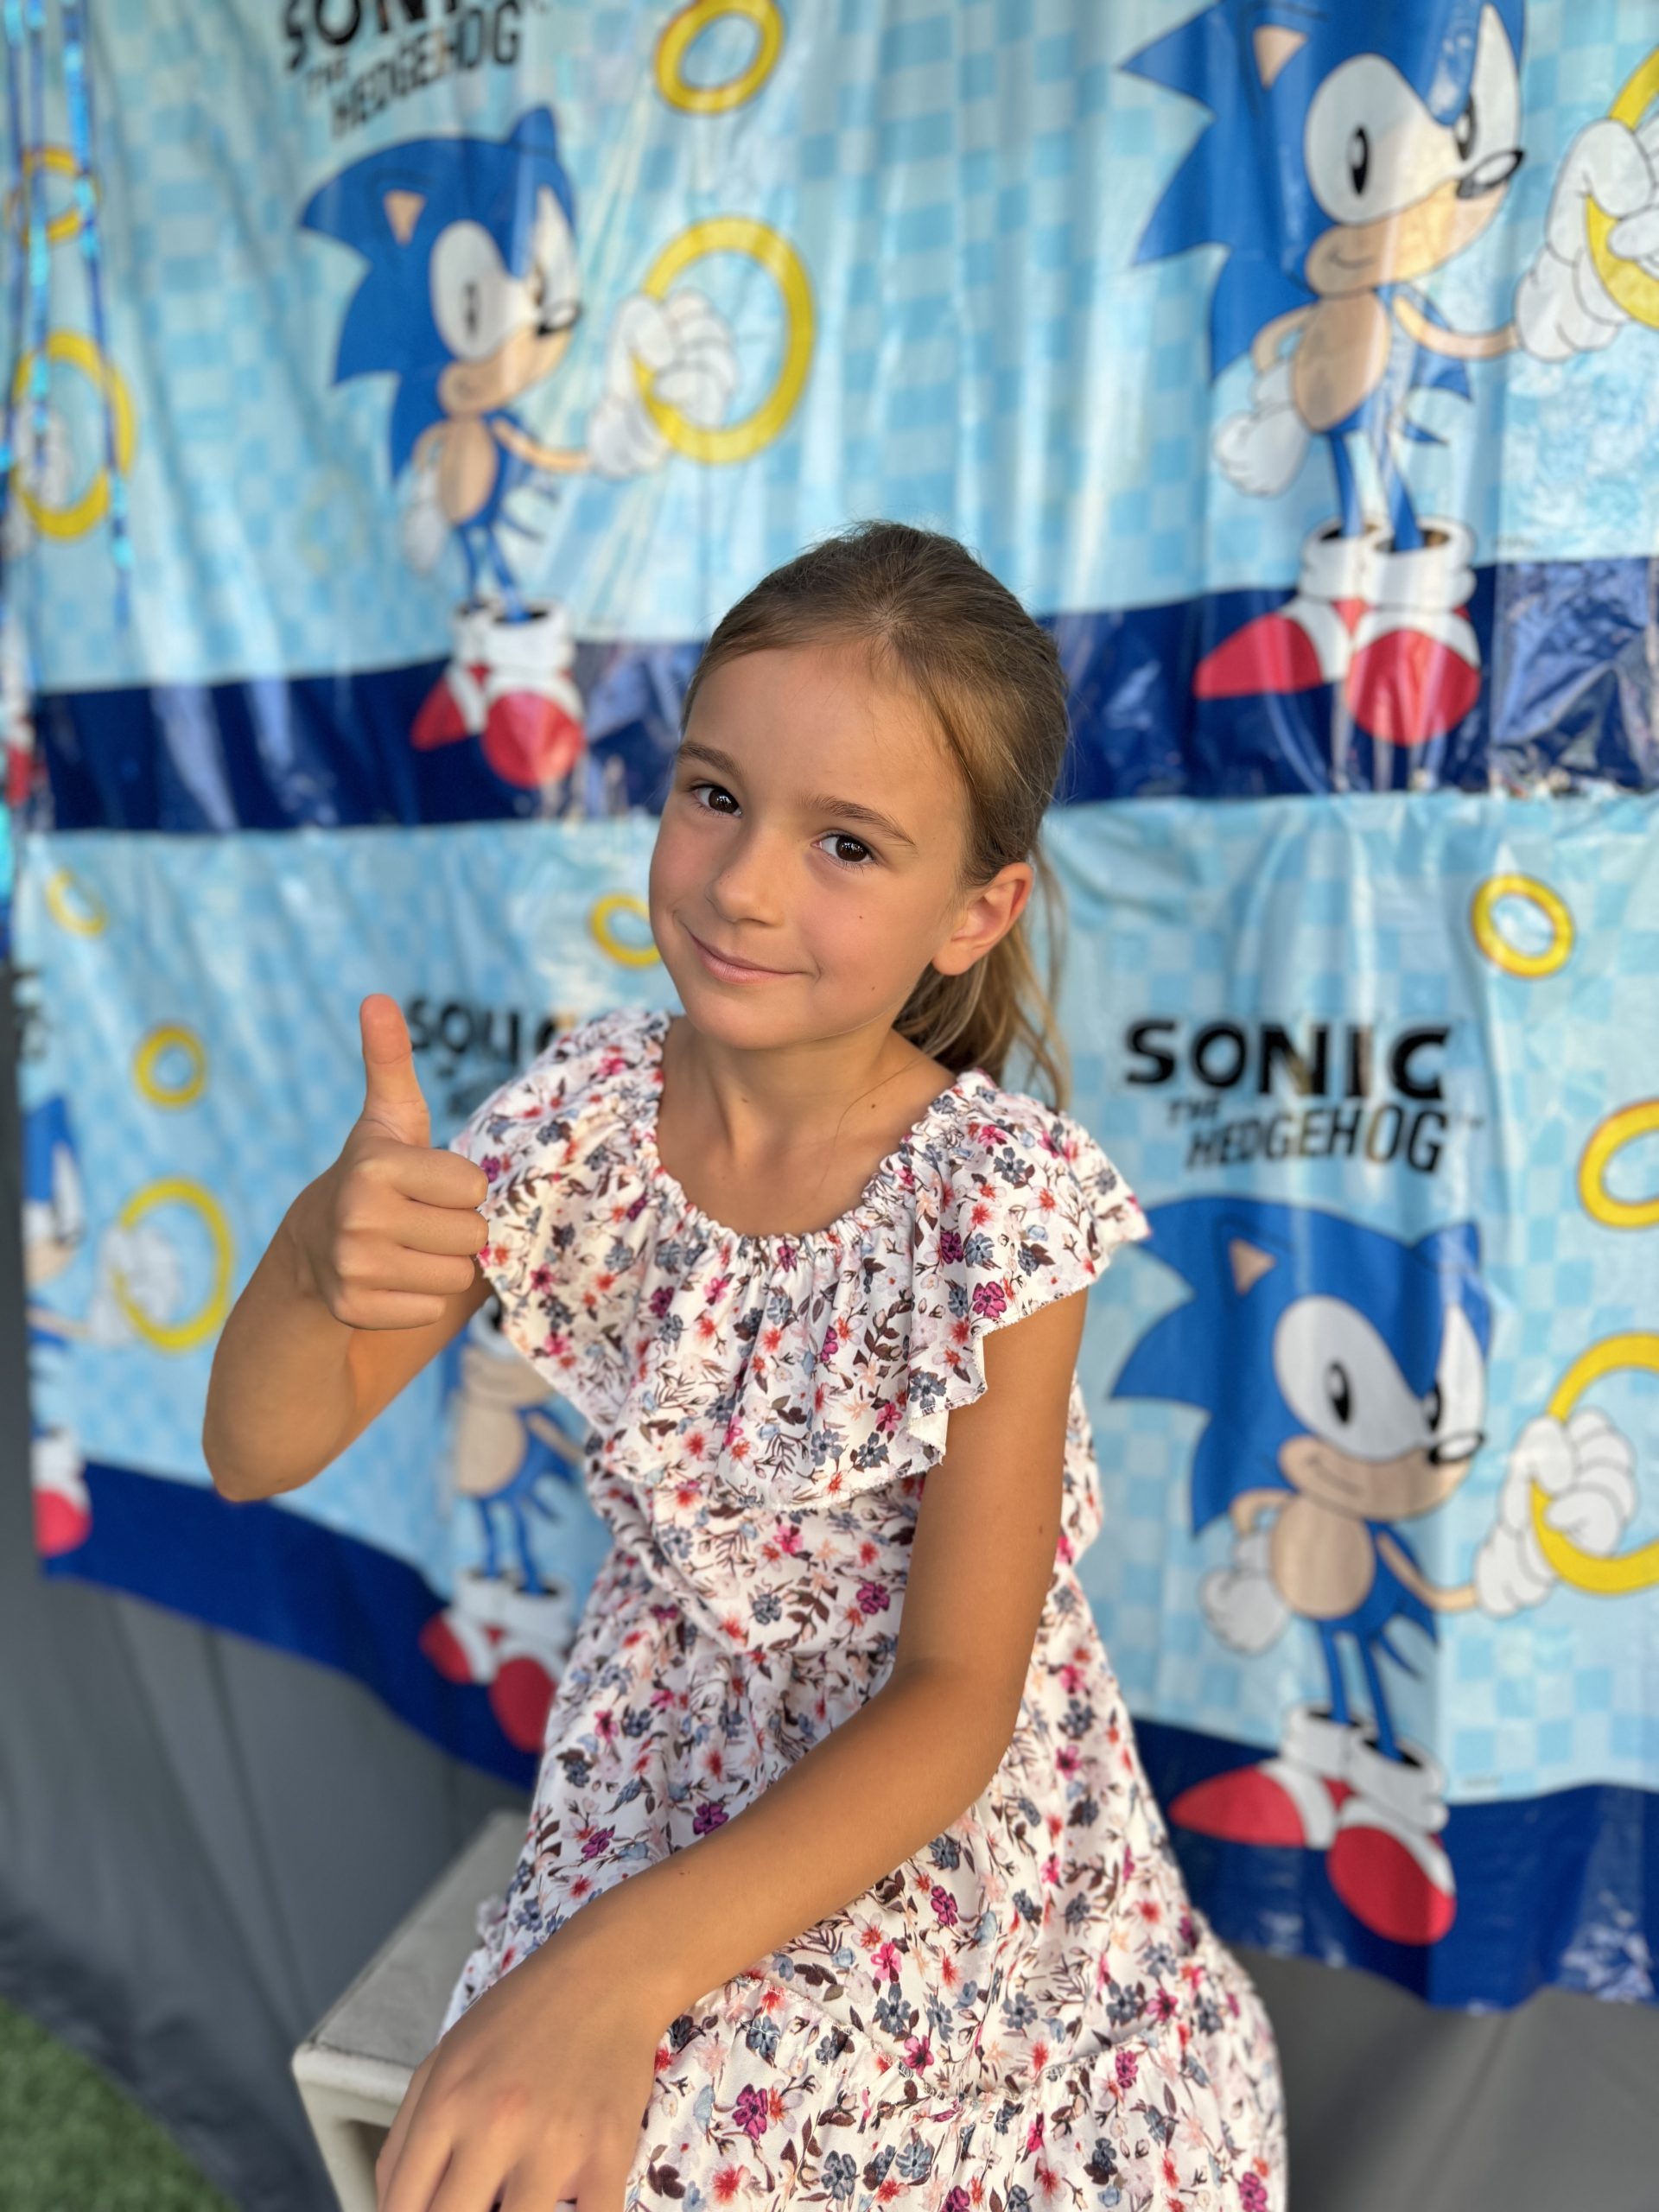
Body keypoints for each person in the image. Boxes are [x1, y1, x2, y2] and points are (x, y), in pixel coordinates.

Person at [203, 521, 1287, 2212]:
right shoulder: (575, 1122)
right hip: (656, 1756)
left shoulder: (996, 1202)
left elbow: (957, 1695)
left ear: (976, 908)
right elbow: (256, 1447)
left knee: (695, 2136)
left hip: (931, 1817)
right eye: (714, 794)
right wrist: (308, 1257)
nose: (743, 884)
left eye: (846, 842)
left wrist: (611, 1973)